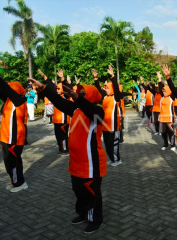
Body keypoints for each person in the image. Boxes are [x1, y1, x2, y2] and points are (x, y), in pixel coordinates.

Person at [28, 76, 106, 234]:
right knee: (77, 190)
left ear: (91, 96)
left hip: (91, 163)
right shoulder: (75, 109)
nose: (80, 95)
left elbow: (90, 110)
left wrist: (78, 99)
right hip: (76, 162)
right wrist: (43, 87)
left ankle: (96, 219)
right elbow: (58, 100)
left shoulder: (98, 112)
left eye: (83, 94)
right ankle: (83, 214)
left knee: (91, 192)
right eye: (79, 93)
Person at [92, 66, 131, 167]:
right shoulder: (105, 97)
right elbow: (98, 89)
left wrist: (112, 76)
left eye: (107, 88)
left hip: (114, 127)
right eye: (105, 88)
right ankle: (112, 159)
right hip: (105, 126)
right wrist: (96, 78)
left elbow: (117, 89)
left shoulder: (116, 97)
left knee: (114, 144)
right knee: (107, 144)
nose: (106, 89)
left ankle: (117, 160)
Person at [0, 77, 28, 192]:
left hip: (14, 137)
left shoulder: (19, 100)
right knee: (8, 161)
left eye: (11, 87)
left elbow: (5, 87)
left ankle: (19, 183)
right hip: (6, 136)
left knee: (13, 161)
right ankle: (14, 181)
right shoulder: (8, 100)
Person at [157, 75, 176, 151]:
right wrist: (159, 79)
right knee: (163, 133)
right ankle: (165, 144)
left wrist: (168, 81)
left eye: (165, 91)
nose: (164, 92)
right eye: (163, 91)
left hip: (169, 119)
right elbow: (160, 87)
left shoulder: (171, 98)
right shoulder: (162, 97)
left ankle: (173, 145)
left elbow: (173, 88)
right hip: (162, 119)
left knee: (171, 133)